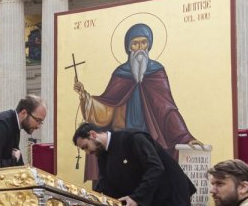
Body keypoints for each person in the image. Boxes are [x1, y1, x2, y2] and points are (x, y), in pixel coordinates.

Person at [72, 23, 197, 171]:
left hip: (152, 136)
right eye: (135, 43)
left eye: (144, 43)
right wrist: (85, 97)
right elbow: (108, 105)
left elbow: (167, 108)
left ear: (149, 45)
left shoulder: (157, 71)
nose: (140, 47)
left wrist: (185, 136)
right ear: (129, 47)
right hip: (124, 137)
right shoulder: (120, 73)